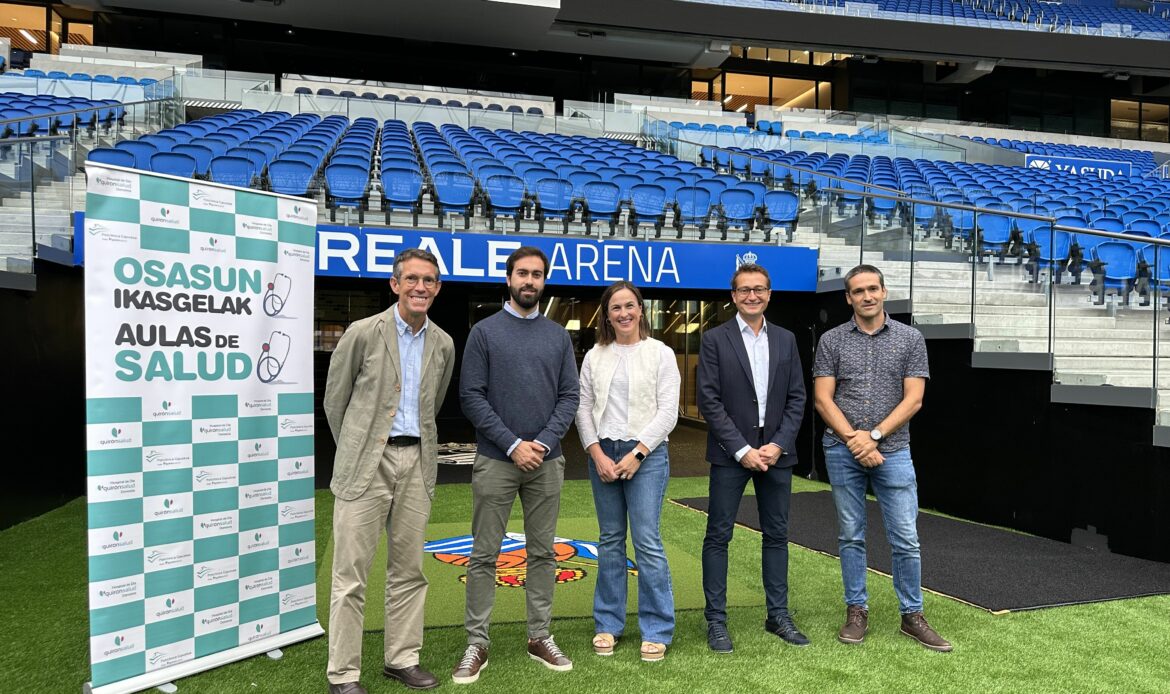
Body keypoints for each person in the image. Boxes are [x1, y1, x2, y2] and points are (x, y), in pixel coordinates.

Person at [323, 248, 456, 693]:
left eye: (430, 281)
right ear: (395, 284)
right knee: (350, 576)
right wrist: (358, 451)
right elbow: (334, 402)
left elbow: (431, 407)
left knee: (408, 570)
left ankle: (401, 658)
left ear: (437, 289)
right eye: (413, 279)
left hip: (416, 463)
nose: (421, 287)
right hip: (365, 464)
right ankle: (343, 674)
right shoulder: (363, 333)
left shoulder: (443, 343)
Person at [453, 246, 580, 684]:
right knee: (484, 554)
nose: (530, 281)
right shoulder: (484, 333)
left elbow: (569, 397)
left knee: (543, 552)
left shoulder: (558, 336)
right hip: (497, 460)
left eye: (537, 275)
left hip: (547, 462)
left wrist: (541, 444)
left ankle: (538, 636)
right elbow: (471, 395)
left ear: (545, 281)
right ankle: (477, 642)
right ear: (508, 279)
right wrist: (512, 445)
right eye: (522, 274)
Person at [812, 264, 952, 653]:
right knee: (850, 536)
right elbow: (824, 398)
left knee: (905, 537)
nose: (867, 296)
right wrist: (854, 442)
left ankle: (912, 615)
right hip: (841, 450)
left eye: (873, 288)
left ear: (884, 292)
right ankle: (856, 610)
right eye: (858, 291)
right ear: (848, 298)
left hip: (893, 451)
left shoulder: (911, 338)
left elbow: (915, 400)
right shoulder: (832, 340)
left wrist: (872, 437)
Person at [697, 262, 808, 654]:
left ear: (769, 294)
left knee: (777, 536)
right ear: (733, 296)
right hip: (731, 455)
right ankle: (716, 621)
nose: (752, 295)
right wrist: (742, 449)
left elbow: (797, 397)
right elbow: (708, 401)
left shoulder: (786, 339)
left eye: (759, 289)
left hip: (778, 452)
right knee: (718, 536)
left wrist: (777, 444)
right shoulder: (714, 340)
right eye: (744, 290)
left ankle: (777, 615)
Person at [576, 281, 680, 663]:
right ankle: (608, 623)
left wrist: (637, 453)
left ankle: (657, 627)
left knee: (647, 541)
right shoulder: (594, 355)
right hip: (603, 451)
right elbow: (583, 408)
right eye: (615, 307)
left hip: (646, 454)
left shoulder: (661, 353)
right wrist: (596, 453)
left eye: (630, 306)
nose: (623, 313)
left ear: (641, 309)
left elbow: (668, 412)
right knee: (610, 540)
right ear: (606, 314)